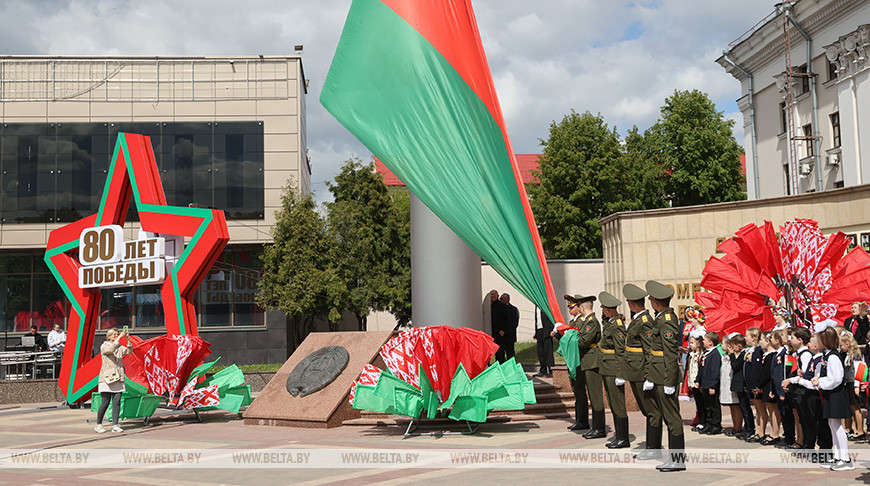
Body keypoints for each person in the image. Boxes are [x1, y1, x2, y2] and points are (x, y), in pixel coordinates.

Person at [645, 280, 685, 472]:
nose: (650, 302)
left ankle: (677, 460)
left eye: (651, 299)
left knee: (672, 418)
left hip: (665, 376)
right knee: (669, 417)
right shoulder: (661, 318)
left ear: (655, 302)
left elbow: (669, 353)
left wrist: (669, 380)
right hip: (659, 374)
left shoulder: (667, 320)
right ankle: (674, 459)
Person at [621, 283, 662, 459]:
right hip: (635, 372)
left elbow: (649, 351)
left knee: (652, 410)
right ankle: (652, 446)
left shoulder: (644, 322)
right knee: (648, 411)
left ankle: (654, 448)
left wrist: (649, 375)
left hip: (641, 373)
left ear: (631, 303)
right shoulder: (639, 319)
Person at [813, 327, 855, 470]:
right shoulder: (827, 355)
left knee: (837, 427)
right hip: (830, 394)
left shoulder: (833, 357)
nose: (816, 340)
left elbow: (836, 379)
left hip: (836, 394)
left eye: (819, 338)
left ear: (825, 340)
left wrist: (820, 382)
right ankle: (838, 456)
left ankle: (845, 459)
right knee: (832, 425)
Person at [570, 293, 606, 440]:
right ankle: (596, 427)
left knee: (596, 397)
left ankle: (599, 428)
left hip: (592, 361)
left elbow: (583, 341)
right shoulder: (587, 322)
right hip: (587, 361)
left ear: (582, 307)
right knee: (592, 395)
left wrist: (570, 340)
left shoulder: (591, 322)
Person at [598, 291, 630, 448]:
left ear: (608, 309)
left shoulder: (617, 326)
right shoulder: (611, 322)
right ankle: (619, 435)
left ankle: (623, 437)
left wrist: (620, 373)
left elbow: (621, 351)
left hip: (613, 369)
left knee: (618, 403)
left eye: (603, 308)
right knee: (612, 402)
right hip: (607, 367)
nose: (602, 311)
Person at [555, 295, 590, 431]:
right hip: (572, 360)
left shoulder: (581, 322)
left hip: (579, 360)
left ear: (579, 307)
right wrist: (558, 333)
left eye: (572, 307)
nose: (570, 309)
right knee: (577, 391)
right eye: (568, 307)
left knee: (580, 391)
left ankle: (583, 421)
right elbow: (567, 341)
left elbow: (576, 341)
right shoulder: (573, 322)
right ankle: (579, 420)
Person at [95, 328, 133, 433]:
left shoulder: (119, 347)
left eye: (117, 334)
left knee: (117, 402)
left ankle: (115, 425)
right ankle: (99, 424)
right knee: (105, 402)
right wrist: (119, 338)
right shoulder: (104, 346)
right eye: (115, 334)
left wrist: (128, 340)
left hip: (118, 377)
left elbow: (129, 351)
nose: (117, 336)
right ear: (109, 336)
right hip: (106, 378)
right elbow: (109, 350)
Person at [771, 329, 796, 448]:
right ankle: (787, 436)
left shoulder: (787, 353)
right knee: (783, 413)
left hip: (785, 390)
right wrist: (773, 389)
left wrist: (783, 391)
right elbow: (774, 374)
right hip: (778, 388)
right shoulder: (778, 353)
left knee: (787, 414)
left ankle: (790, 438)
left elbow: (786, 373)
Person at [839, 331, 865, 440]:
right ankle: (851, 429)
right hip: (847, 383)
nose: (841, 347)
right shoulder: (847, 354)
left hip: (853, 383)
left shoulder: (855, 354)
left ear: (847, 344)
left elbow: (859, 369)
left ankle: (860, 431)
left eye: (841, 345)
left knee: (856, 407)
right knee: (851, 407)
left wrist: (857, 385)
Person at [756, 331, 781, 445]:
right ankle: (773, 432)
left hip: (770, 386)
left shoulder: (772, 355)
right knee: (770, 410)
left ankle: (775, 434)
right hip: (765, 386)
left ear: (768, 341)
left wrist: (759, 385)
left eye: (761, 339)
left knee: (774, 411)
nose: (760, 342)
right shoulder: (766, 354)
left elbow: (767, 373)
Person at [729, 334, 754, 440]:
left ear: (739, 346)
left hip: (742, 384)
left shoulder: (744, 354)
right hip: (739, 384)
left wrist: (731, 355)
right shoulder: (741, 354)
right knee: (743, 407)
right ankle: (747, 427)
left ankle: (750, 428)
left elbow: (735, 366)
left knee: (745, 407)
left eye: (733, 346)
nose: (733, 348)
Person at [697, 331, 722, 435]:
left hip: (711, 385)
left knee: (714, 406)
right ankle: (709, 423)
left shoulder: (715, 354)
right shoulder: (706, 353)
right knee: (707, 406)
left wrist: (713, 385)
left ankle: (716, 425)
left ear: (710, 342)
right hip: (704, 384)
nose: (703, 341)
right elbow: (701, 369)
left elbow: (715, 371)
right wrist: (698, 380)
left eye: (704, 340)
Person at [744, 327, 765, 443]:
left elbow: (757, 370)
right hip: (750, 384)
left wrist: (755, 385)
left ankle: (761, 432)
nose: (745, 338)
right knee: (757, 409)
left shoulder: (758, 350)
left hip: (755, 385)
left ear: (753, 337)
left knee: (761, 410)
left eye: (747, 336)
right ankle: (757, 431)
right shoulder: (751, 350)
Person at [720, 336, 741, 437]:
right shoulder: (724, 356)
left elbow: (734, 369)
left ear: (729, 346)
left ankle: (738, 427)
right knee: (731, 406)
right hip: (726, 385)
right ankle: (735, 426)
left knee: (736, 406)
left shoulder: (735, 356)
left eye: (723, 343)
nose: (721, 345)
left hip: (733, 384)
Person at [687, 336, 705, 434]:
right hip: (693, 382)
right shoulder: (692, 354)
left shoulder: (701, 355)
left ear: (698, 344)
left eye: (692, 343)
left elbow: (699, 370)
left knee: (702, 403)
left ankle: (703, 422)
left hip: (699, 383)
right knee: (698, 403)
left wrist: (699, 382)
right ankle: (700, 421)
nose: (690, 345)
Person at [494, 293, 519, 363]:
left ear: (507, 299)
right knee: (500, 354)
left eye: (501, 299)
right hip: (500, 337)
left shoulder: (513, 309)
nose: (500, 300)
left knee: (510, 354)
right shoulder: (498, 309)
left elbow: (514, 323)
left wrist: (505, 331)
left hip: (509, 337)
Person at [533, 307, 554, 377]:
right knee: (540, 351)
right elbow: (537, 319)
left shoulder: (544, 304)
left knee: (548, 350)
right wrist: (536, 331)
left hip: (547, 329)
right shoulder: (536, 306)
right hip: (539, 330)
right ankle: (543, 370)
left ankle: (551, 369)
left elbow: (551, 317)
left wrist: (552, 329)